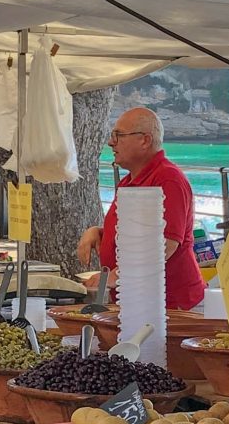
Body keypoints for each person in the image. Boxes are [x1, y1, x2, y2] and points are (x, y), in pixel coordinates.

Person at [78, 107, 206, 310]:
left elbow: (165, 245)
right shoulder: (129, 182)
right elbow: (135, 234)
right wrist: (97, 232)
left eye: (118, 135)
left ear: (144, 140)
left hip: (171, 305)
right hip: (135, 302)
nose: (111, 142)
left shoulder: (168, 179)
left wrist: (114, 276)